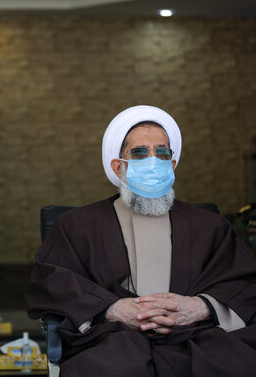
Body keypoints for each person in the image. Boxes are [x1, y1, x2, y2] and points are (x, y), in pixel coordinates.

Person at [26, 105, 256, 376]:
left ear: (172, 164)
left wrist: (202, 306)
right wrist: (112, 309)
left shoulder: (210, 226)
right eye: (139, 152)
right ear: (118, 165)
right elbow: (54, 283)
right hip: (113, 338)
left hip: (195, 336)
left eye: (162, 152)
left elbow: (243, 283)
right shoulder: (77, 225)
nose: (153, 159)